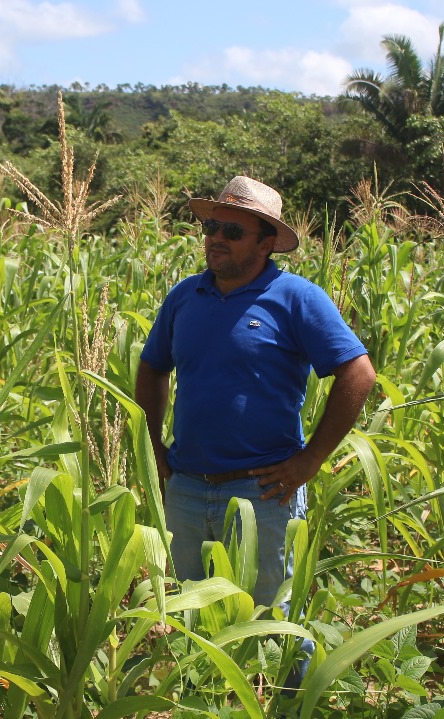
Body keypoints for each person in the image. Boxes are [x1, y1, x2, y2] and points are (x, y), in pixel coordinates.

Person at [135, 175, 376, 608]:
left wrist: (310, 460)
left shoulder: (296, 298)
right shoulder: (185, 297)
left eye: (233, 232)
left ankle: (289, 680)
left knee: (269, 619)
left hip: (261, 492)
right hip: (186, 487)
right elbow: (152, 368)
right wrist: (152, 446)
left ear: (266, 243)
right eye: (211, 228)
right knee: (191, 614)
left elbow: (358, 373)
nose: (216, 240)